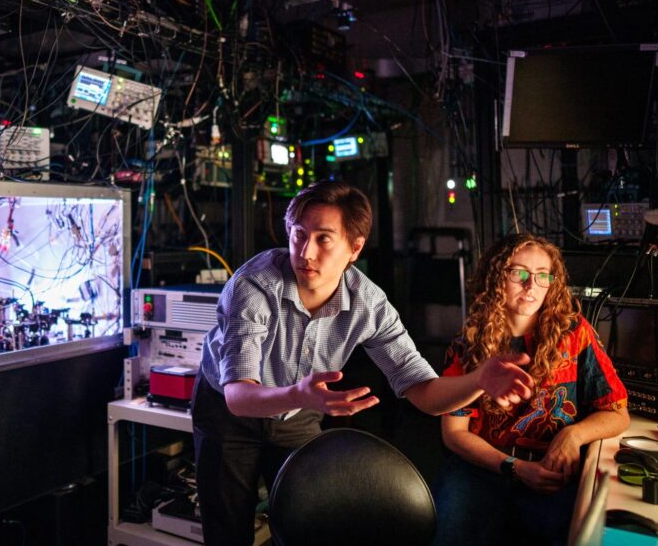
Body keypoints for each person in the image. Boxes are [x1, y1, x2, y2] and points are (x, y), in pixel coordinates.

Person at [191, 181, 535, 546]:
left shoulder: (369, 304)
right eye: (298, 234)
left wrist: (479, 380)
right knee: (227, 534)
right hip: (229, 414)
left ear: (355, 248)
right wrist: (302, 396)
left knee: (305, 526)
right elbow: (239, 397)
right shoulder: (254, 285)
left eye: (324, 239)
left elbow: (424, 392)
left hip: (299, 413)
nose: (305, 252)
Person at [430, 233, 629, 546]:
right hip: (483, 468)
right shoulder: (467, 344)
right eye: (518, 273)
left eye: (542, 276)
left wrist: (572, 436)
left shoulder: (574, 333)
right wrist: (515, 468)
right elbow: (453, 433)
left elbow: (618, 413)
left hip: (552, 472)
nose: (531, 285)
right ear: (496, 278)